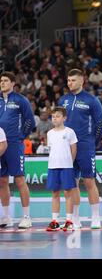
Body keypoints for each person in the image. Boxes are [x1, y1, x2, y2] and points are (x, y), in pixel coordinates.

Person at [58, 68, 102, 229]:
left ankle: (95, 217)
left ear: (81, 81)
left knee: (89, 181)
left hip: (85, 146)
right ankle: (75, 218)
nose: (69, 83)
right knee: (71, 184)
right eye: (68, 80)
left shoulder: (91, 100)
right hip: (66, 147)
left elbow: (101, 122)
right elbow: (58, 123)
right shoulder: (63, 100)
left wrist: (94, 141)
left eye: (73, 80)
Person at [0, 72, 36, 229]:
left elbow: (30, 120)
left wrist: (21, 137)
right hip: (0, 144)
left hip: (15, 144)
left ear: (13, 83)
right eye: (1, 81)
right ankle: (7, 217)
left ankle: (26, 216)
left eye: (5, 81)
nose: (2, 83)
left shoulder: (21, 100)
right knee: (2, 181)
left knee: (20, 179)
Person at [45, 107, 78, 232]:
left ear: (64, 118)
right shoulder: (50, 133)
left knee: (68, 193)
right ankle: (55, 221)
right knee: (55, 193)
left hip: (67, 167)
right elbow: (51, 150)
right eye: (53, 116)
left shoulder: (70, 132)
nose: (55, 118)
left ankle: (69, 221)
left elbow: (73, 149)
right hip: (53, 166)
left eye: (58, 116)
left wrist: (69, 162)